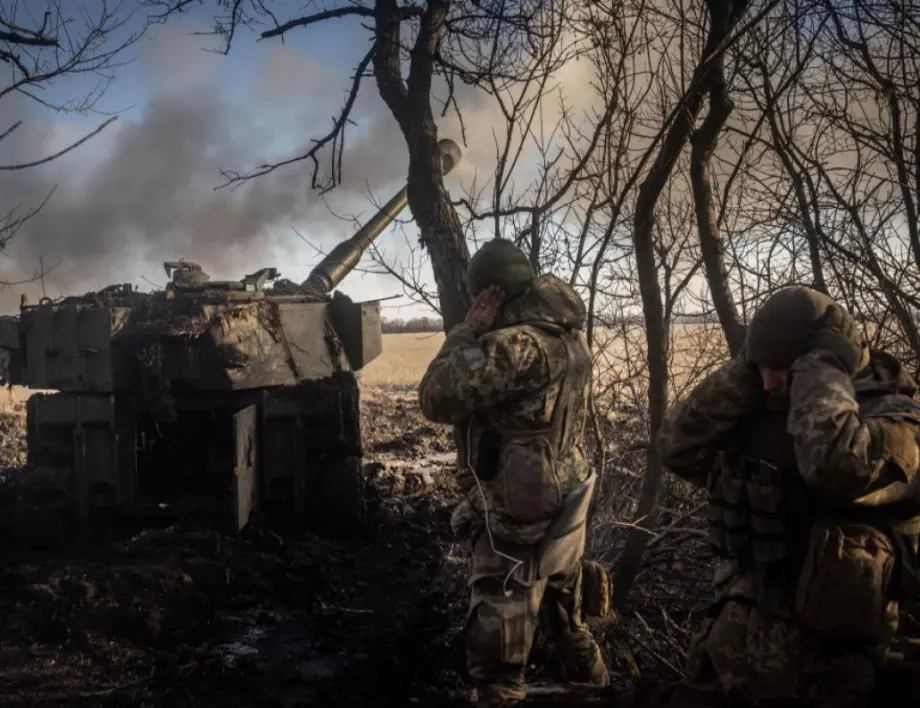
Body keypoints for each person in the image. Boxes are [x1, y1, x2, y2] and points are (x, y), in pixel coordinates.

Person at [657, 286, 920, 707]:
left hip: (823, 678)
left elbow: (838, 469)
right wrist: (745, 372)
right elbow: (676, 445)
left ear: (825, 360)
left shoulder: (896, 422)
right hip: (725, 664)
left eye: (778, 367)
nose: (766, 381)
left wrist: (820, 369)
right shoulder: (767, 412)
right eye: (758, 368)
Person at [418, 239, 609, 707]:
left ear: (493, 295)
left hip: (519, 513)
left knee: (499, 654)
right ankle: (605, 691)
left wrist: (466, 332)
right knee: (569, 623)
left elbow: (436, 396)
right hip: (567, 499)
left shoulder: (517, 347)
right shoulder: (567, 334)